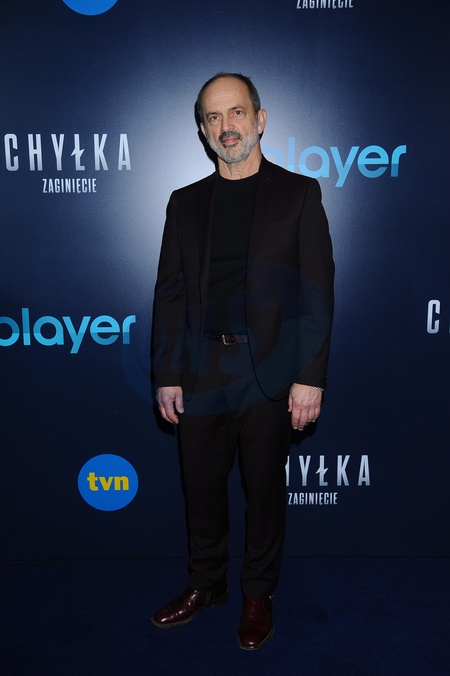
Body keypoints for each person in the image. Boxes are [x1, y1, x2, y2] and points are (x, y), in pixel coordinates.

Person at [151, 73, 334, 650]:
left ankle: (258, 593)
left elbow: (316, 293)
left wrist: (309, 377)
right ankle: (206, 584)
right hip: (202, 369)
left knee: (264, 490)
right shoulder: (184, 202)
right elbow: (171, 294)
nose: (226, 126)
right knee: (200, 486)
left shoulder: (298, 194)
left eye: (236, 113)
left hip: (270, 370)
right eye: (213, 117)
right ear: (203, 131)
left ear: (260, 118)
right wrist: (167, 373)